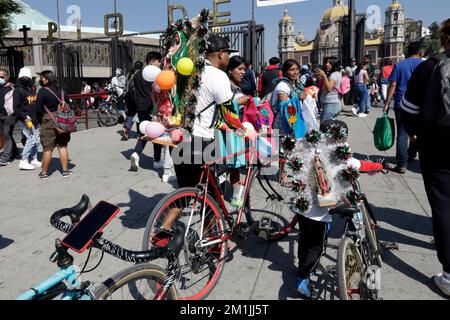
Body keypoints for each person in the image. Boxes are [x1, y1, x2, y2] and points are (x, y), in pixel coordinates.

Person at [295, 119, 386, 299]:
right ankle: (302, 279)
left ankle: (302, 268)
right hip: (320, 213)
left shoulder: (309, 147)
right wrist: (379, 166)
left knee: (305, 241)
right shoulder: (340, 153)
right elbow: (360, 165)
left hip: (302, 208)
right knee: (317, 247)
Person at [401, 19, 450, 297]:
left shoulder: (431, 66)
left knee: (444, 205)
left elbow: (409, 108)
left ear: (444, 38)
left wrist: (414, 133)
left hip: (439, 146)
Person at [383, 41, 425, 174]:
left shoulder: (399, 66)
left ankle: (402, 164)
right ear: (421, 52)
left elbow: (393, 85)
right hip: (419, 105)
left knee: (402, 133)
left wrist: (386, 103)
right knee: (417, 132)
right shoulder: (425, 65)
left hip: (401, 103)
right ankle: (411, 155)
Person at [35, 70, 72, 179]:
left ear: (47, 79)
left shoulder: (42, 91)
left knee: (47, 149)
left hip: (48, 120)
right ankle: (65, 171)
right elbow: (68, 105)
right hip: (63, 120)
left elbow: (38, 109)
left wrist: (39, 121)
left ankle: (44, 173)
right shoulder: (62, 91)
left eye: (42, 78)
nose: (40, 80)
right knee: (62, 146)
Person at [130, 52, 163, 172]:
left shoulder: (137, 74)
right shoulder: (154, 74)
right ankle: (157, 160)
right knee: (157, 134)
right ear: (151, 61)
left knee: (144, 133)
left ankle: (136, 154)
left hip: (140, 107)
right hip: (152, 107)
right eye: (158, 61)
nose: (160, 64)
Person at [14, 67, 41, 171]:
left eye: (27, 77)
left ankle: (34, 158)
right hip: (25, 119)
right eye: (24, 77)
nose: (26, 78)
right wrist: (24, 117)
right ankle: (24, 160)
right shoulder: (18, 90)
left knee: (36, 140)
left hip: (34, 119)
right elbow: (15, 108)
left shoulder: (31, 89)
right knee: (31, 139)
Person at [0, 68, 19, 166]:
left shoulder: (13, 87)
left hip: (9, 116)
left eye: (2, 77)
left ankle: (5, 157)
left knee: (7, 135)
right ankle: (15, 152)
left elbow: (23, 89)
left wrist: (13, 85)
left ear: (7, 77)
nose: (0, 78)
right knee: (5, 135)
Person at [315, 57, 342, 122]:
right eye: (327, 62)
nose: (327, 64)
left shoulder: (334, 75)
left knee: (324, 125)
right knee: (329, 126)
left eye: (329, 63)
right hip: (330, 104)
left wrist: (324, 75)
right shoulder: (334, 74)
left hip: (331, 104)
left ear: (334, 64)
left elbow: (329, 88)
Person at [122, 60, 143, 141]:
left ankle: (126, 128)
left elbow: (125, 86)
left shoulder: (129, 73)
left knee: (130, 114)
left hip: (129, 97)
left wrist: (124, 97)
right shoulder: (141, 74)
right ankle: (139, 134)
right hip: (138, 98)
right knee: (139, 115)